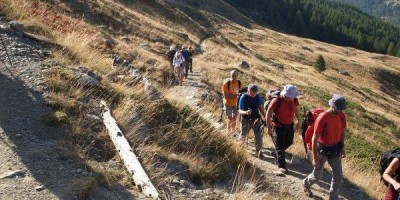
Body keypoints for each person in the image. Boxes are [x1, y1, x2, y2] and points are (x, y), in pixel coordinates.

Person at [302, 95, 347, 200]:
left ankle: (333, 197)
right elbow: (314, 138)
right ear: (332, 106)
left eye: (342, 109)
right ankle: (306, 183)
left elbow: (342, 132)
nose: (340, 111)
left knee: (338, 176)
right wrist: (315, 158)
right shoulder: (322, 118)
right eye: (338, 108)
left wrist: (342, 147)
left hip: (336, 149)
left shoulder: (341, 116)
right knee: (317, 177)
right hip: (321, 150)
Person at [266, 84, 301, 173]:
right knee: (280, 147)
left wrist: (299, 122)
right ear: (288, 95)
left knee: (289, 142)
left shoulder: (293, 100)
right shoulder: (276, 101)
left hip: (289, 125)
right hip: (278, 126)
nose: (295, 97)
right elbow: (268, 113)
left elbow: (296, 110)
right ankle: (282, 166)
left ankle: (276, 153)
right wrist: (269, 128)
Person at [238, 84, 266, 159]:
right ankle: (239, 149)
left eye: (255, 92)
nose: (254, 93)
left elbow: (260, 107)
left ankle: (258, 152)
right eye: (253, 92)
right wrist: (246, 112)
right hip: (245, 118)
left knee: (258, 135)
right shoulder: (243, 97)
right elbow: (240, 110)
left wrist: (265, 117)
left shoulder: (257, 97)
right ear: (248, 91)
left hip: (256, 118)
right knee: (243, 134)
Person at [222, 70, 241, 135]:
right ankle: (228, 132)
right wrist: (236, 95)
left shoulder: (239, 83)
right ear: (230, 75)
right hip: (228, 103)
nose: (233, 76)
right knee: (230, 118)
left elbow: (240, 93)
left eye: (235, 75)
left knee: (235, 118)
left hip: (236, 103)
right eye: (232, 75)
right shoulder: (226, 84)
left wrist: (234, 96)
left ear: (237, 76)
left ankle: (233, 131)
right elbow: (226, 96)